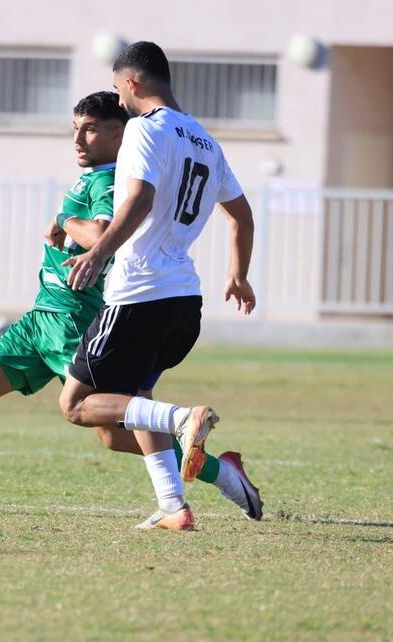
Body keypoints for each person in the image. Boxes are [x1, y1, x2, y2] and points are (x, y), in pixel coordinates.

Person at [0, 91, 255, 515]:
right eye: (76, 128)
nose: (79, 139)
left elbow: (106, 236)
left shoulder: (112, 181)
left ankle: (219, 473)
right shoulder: (90, 176)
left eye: (90, 129)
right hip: (41, 317)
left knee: (117, 429)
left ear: (118, 133)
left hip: (76, 320)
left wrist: (67, 222)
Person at [59, 42, 262, 531]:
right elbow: (241, 215)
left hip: (139, 292)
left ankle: (183, 419)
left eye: (116, 90)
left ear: (131, 84)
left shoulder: (144, 131)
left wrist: (98, 252)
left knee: (76, 406)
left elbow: (141, 198)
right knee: (138, 399)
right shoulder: (205, 140)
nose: (119, 100)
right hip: (182, 302)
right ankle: (175, 505)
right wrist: (238, 273)